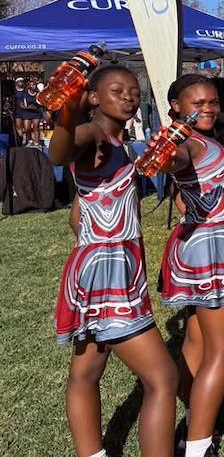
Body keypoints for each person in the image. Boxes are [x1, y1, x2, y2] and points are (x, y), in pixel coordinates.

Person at [50, 65, 178, 457]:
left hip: (98, 268)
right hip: (108, 276)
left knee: (86, 372)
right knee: (162, 377)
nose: (129, 97)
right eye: (117, 91)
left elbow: (77, 214)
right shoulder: (93, 134)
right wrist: (67, 113)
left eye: (134, 91)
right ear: (92, 98)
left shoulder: (122, 145)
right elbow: (59, 153)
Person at [156, 74, 224, 457]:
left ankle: (195, 421)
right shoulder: (186, 142)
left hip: (199, 245)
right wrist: (167, 153)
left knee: (197, 340)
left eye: (212, 102)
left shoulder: (204, 140)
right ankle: (199, 446)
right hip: (213, 249)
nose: (207, 109)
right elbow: (175, 159)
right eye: (197, 103)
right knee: (222, 350)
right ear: (176, 108)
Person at [18, 78, 42, 146]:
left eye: (34, 85)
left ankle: (37, 142)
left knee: (36, 127)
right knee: (26, 128)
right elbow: (21, 105)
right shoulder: (24, 94)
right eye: (32, 85)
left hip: (36, 112)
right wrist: (29, 107)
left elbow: (41, 103)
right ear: (29, 86)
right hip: (27, 112)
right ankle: (30, 140)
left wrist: (38, 106)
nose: (33, 86)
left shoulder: (38, 94)